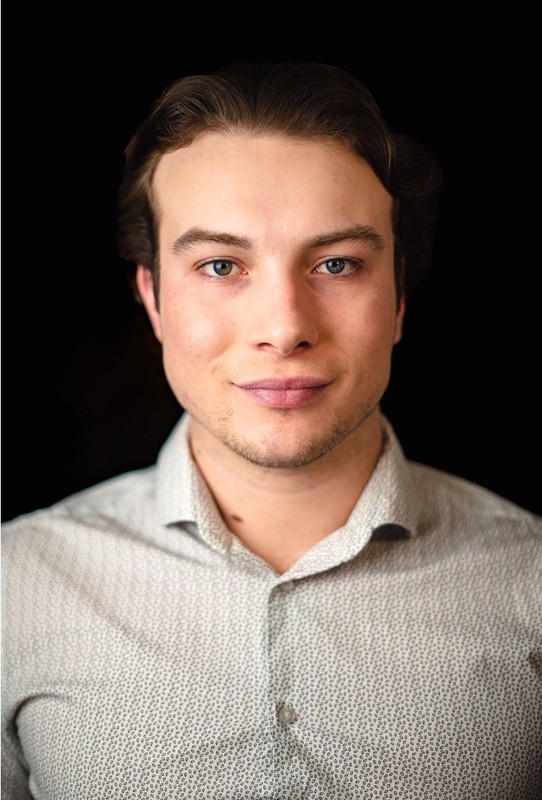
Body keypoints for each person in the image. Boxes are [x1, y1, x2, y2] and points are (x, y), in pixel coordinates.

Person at [2, 60, 541, 800]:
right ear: (153, 299)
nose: (285, 328)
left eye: (338, 264)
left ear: (399, 300)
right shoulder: (17, 586)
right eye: (221, 266)